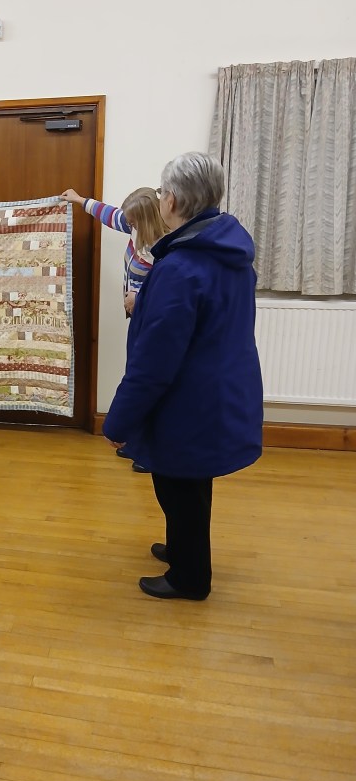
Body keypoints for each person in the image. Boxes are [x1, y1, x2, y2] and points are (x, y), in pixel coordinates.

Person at [102, 152, 263, 600]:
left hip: (187, 400)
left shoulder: (180, 268)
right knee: (189, 482)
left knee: (178, 488)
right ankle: (181, 550)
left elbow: (154, 363)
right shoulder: (227, 252)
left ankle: (190, 578)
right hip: (213, 391)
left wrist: (119, 422)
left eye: (160, 192)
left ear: (171, 200)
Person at [61, 185, 168, 472]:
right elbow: (110, 215)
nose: (127, 223)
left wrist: (138, 299)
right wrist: (79, 200)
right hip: (138, 318)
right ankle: (136, 439)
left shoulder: (165, 249)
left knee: (146, 380)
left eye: (132, 221)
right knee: (135, 373)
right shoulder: (136, 228)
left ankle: (150, 451)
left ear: (146, 219)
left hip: (154, 321)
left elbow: (166, 292)